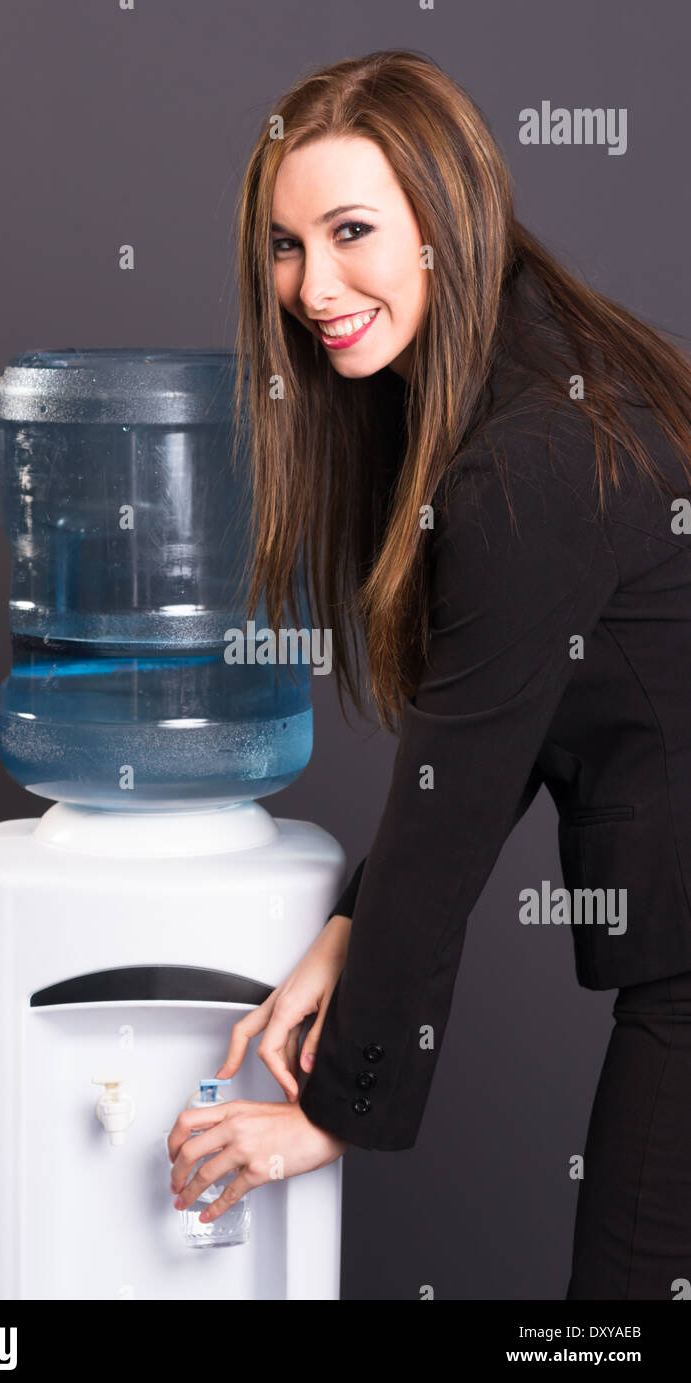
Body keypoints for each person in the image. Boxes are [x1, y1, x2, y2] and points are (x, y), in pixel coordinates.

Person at [166, 49, 691, 1299]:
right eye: (287, 247)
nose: (313, 285)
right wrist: (349, 927)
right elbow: (487, 741)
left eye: (352, 232)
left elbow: (456, 802)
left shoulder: (525, 463)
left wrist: (330, 1112)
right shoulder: (545, 375)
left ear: (446, 228)